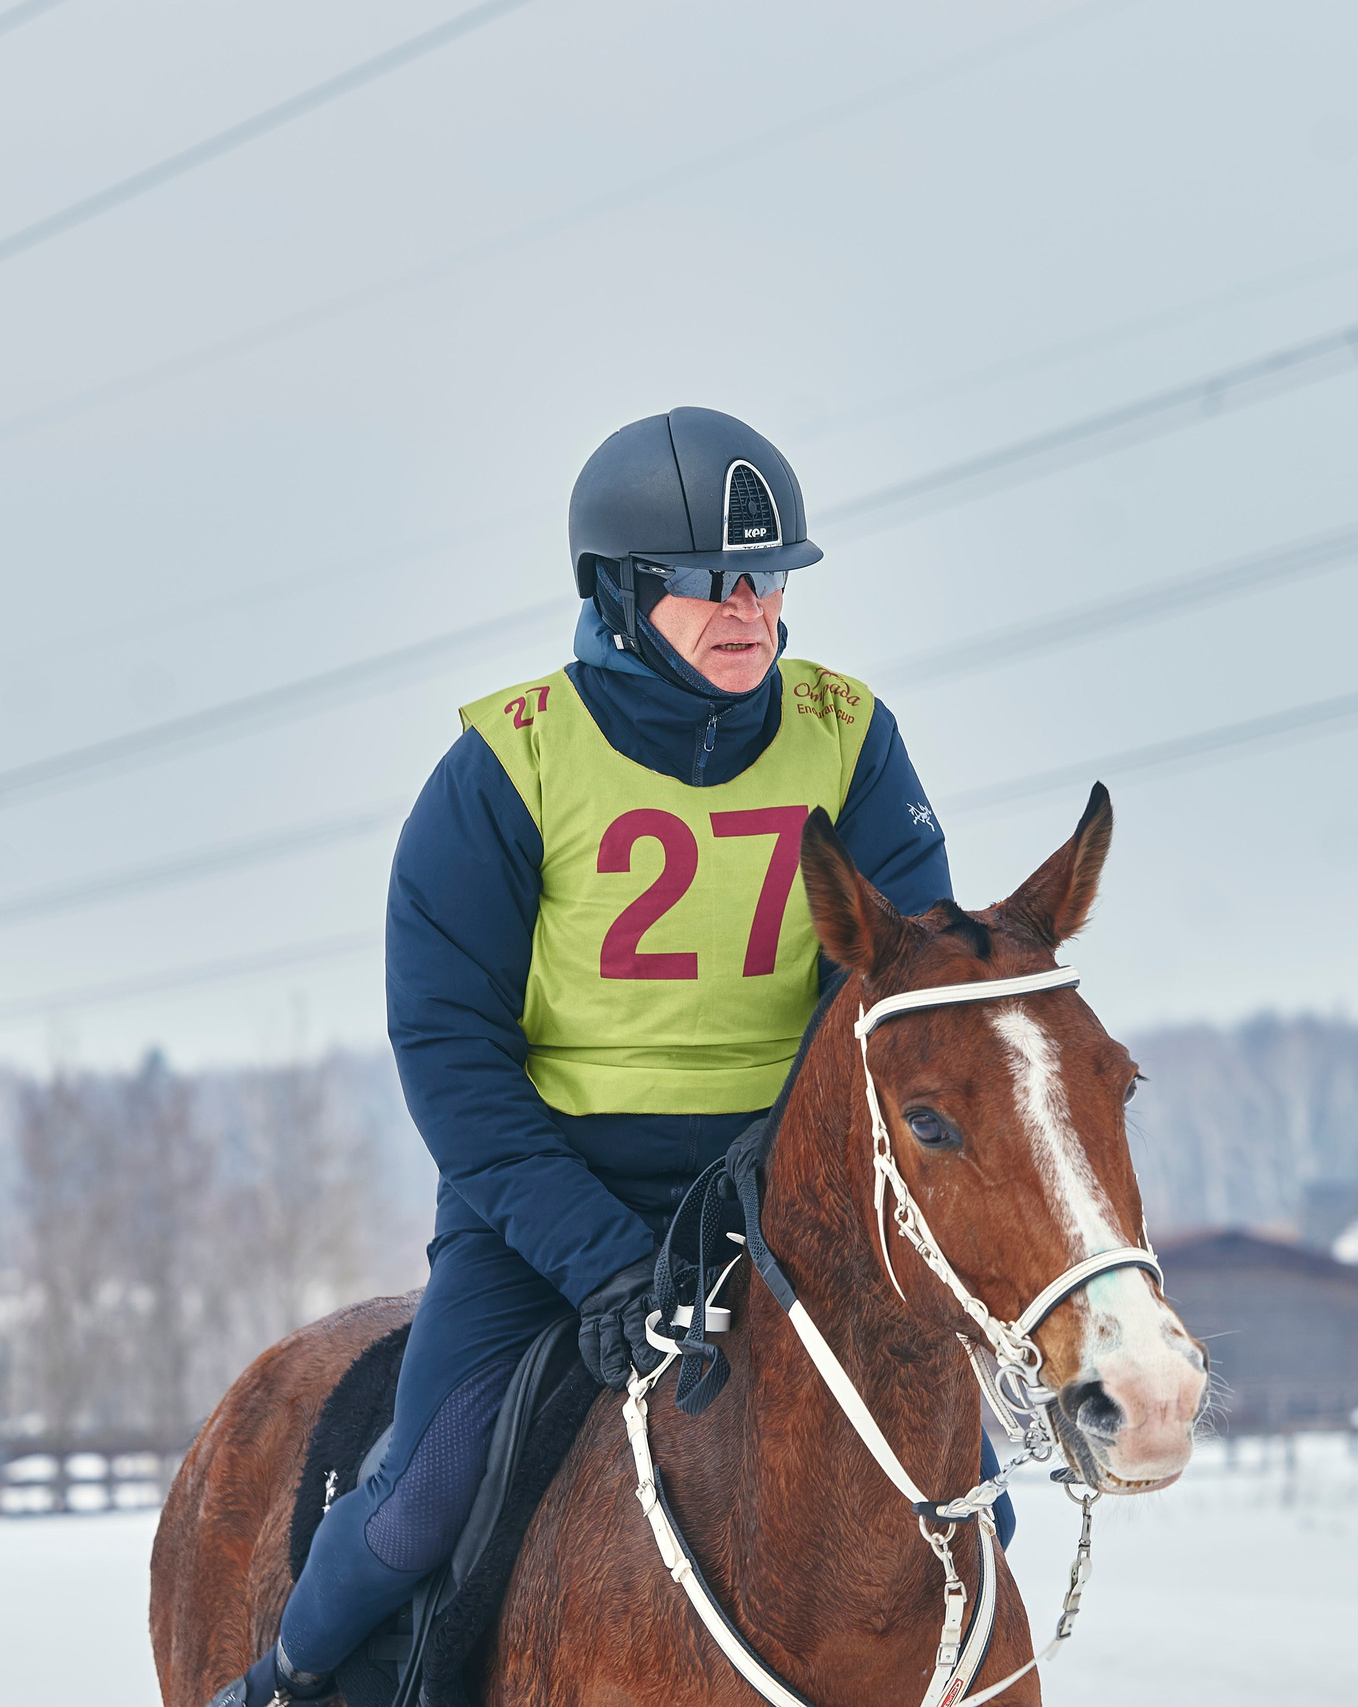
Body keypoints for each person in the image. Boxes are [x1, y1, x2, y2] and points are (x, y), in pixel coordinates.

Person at [212, 407, 1003, 1707]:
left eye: (766, 578)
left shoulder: (853, 736)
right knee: (429, 1490)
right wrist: (602, 1257)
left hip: (779, 1199)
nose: (745, 609)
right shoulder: (505, 769)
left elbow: (891, 985)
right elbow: (448, 1050)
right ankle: (283, 1684)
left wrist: (778, 1192)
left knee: (959, 1487)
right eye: (707, 583)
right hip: (544, 1208)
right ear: (625, 594)